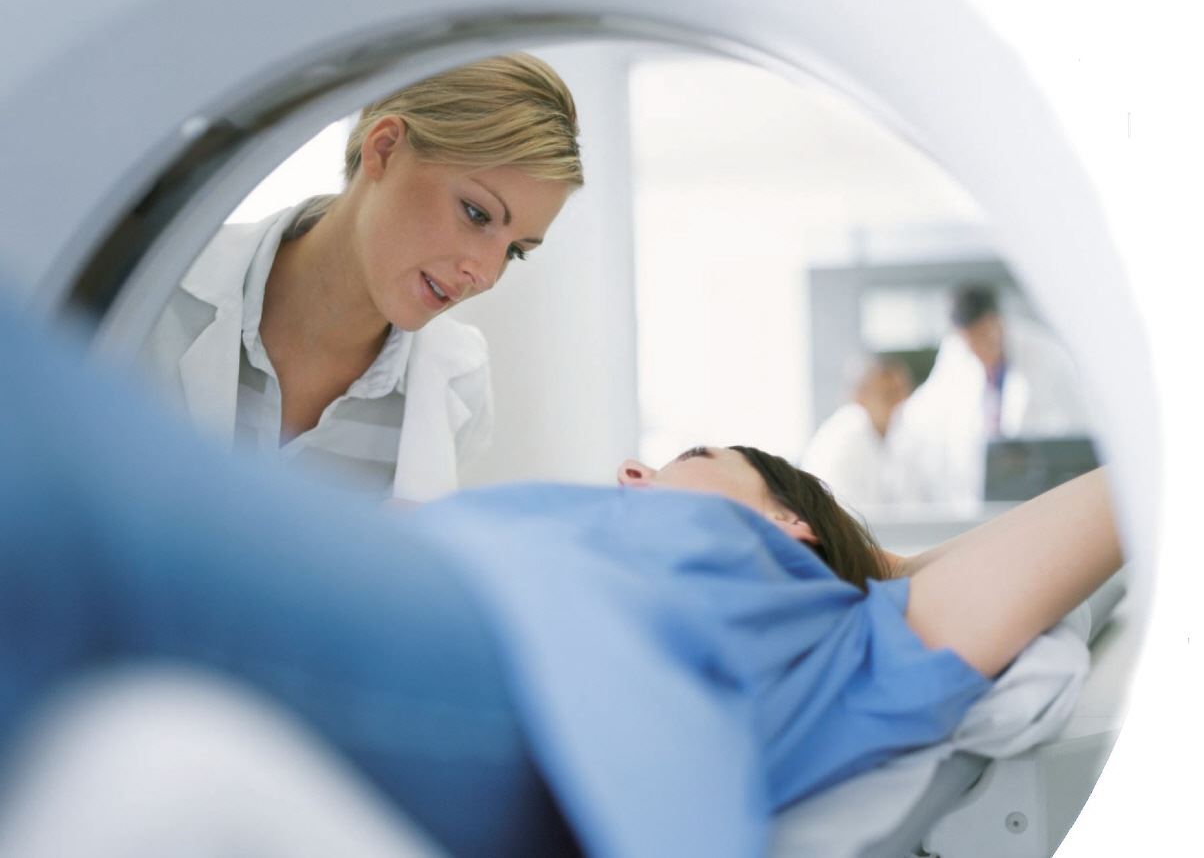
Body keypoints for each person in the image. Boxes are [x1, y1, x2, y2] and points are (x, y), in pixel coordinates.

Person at [0, 295, 1122, 857]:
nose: (634, 469)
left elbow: (1115, 500)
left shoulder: (839, 625)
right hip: (416, 580)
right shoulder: (577, 520)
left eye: (690, 459)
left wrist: (874, 560)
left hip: (514, 674)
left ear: (787, 525)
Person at [140, 53, 583, 502]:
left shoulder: (460, 387)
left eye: (514, 251)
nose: (485, 275)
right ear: (384, 149)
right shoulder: (151, 291)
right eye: (476, 213)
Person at [891, 284, 1093, 505]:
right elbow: (922, 414)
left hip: (1037, 488)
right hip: (976, 490)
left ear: (999, 321)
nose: (981, 350)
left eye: (986, 336)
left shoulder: (1047, 353)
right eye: (972, 343)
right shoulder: (955, 353)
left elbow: (1077, 429)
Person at [801, 355, 914, 510]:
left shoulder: (889, 437)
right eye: (889, 395)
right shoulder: (846, 438)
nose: (900, 403)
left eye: (903, 394)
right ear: (860, 398)